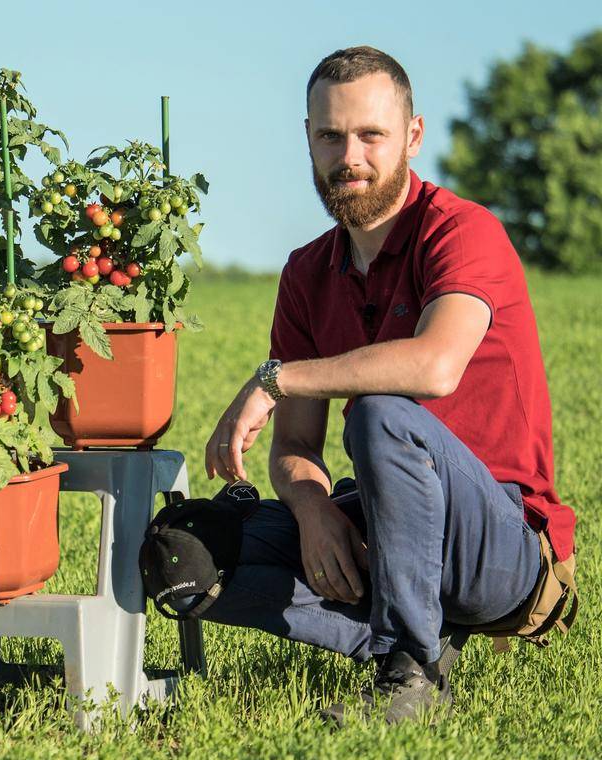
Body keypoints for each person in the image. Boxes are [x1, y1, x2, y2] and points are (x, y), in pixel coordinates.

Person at [198, 47, 576, 724]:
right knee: (185, 553)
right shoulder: (308, 272)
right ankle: (414, 629)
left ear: (413, 135)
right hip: (385, 527)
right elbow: (296, 447)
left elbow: (434, 367)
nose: (351, 156)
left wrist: (278, 379)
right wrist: (314, 513)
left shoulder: (463, 231)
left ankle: (411, 670)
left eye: (371, 135)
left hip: (501, 548)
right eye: (330, 136)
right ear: (308, 140)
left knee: (379, 415)